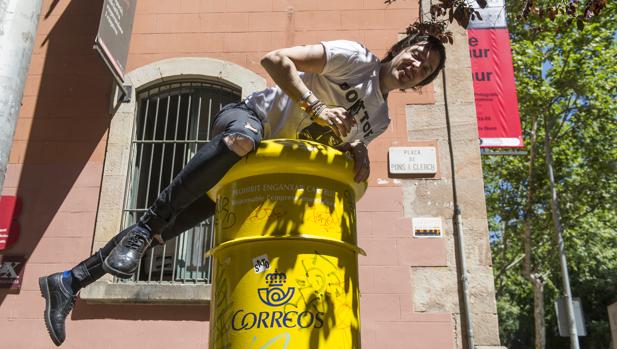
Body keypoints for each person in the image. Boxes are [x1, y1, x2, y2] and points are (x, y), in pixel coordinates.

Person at [38, 33, 446, 346]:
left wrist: (358, 148)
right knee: (240, 142)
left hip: (256, 179)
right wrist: (315, 105)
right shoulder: (355, 59)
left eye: (425, 69)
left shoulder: (380, 119)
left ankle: (69, 281)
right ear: (399, 49)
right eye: (416, 54)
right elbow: (275, 59)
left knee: (170, 231)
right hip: (248, 120)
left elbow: (336, 139)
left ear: (420, 83)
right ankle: (146, 225)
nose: (416, 65)